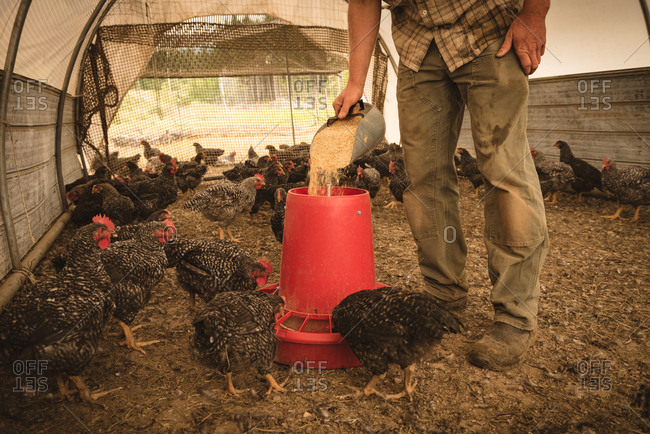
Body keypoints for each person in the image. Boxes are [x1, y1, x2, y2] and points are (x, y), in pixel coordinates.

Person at [333, 0, 550, 371]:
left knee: (503, 170)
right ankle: (443, 291)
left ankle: (515, 315)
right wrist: (355, 82)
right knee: (422, 177)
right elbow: (364, 1)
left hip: (488, 33)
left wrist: (534, 13)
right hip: (419, 49)